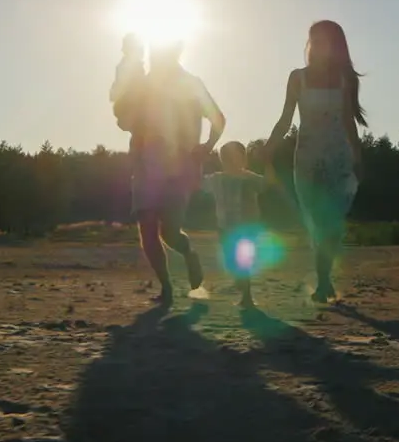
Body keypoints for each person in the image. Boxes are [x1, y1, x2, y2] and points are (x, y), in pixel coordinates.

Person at [263, 20, 366, 304]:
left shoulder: (345, 79)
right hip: (308, 158)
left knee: (332, 222)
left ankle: (323, 280)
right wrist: (268, 148)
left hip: (338, 159)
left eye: (325, 40)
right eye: (313, 39)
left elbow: (349, 122)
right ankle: (323, 280)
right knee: (318, 221)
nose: (318, 45)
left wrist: (358, 157)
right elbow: (285, 119)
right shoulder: (298, 78)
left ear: (336, 45)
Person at [128, 38, 225, 304]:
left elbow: (218, 118)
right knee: (147, 227)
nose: (154, 59)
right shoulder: (144, 85)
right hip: (145, 166)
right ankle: (166, 287)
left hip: (180, 167)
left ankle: (189, 254)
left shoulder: (192, 84)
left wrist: (207, 146)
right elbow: (131, 123)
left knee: (169, 232)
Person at [201, 141, 268, 310]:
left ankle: (247, 297)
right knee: (230, 258)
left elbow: (266, 185)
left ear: (243, 159)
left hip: (247, 226)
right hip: (224, 226)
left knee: (243, 260)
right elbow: (199, 183)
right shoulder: (217, 178)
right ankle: (239, 283)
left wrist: (268, 162)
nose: (228, 161)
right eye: (224, 157)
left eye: (232, 157)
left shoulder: (249, 177)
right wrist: (198, 161)